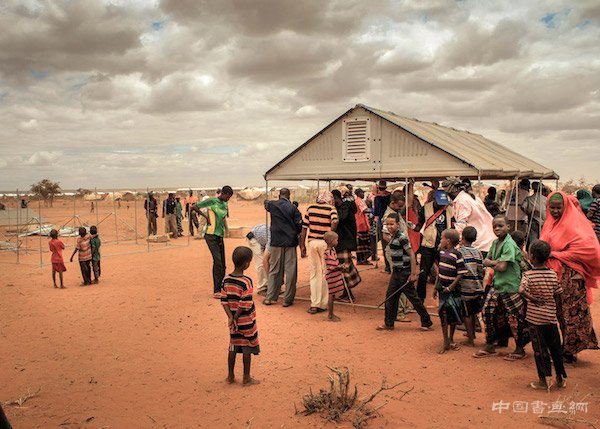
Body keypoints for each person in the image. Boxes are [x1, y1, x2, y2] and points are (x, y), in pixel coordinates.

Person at [541, 191, 600, 363]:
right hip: (554, 277)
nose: (555, 211)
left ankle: (570, 350)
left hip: (572, 278)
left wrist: (556, 255)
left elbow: (591, 250)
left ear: (565, 207)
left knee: (572, 314)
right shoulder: (549, 224)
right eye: (552, 207)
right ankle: (565, 347)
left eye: (559, 208)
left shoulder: (574, 225)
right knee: (559, 313)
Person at [474, 215, 528, 360]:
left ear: (508, 227)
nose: (497, 229)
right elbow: (487, 261)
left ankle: (519, 348)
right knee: (487, 312)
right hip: (498, 284)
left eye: (500, 226)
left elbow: (502, 266)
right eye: (495, 226)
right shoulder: (495, 243)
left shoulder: (509, 244)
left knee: (515, 318)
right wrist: (494, 262)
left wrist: (491, 262)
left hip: (511, 286)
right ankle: (490, 343)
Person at [519, 240, 567, 390]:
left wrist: (533, 299)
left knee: (540, 350)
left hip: (535, 321)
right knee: (556, 349)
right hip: (551, 319)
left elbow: (521, 290)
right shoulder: (553, 274)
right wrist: (559, 316)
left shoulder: (528, 275)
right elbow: (558, 295)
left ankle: (544, 380)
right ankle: (560, 378)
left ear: (531, 257)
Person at [376, 213, 433, 331]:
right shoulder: (392, 237)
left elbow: (411, 254)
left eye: (392, 224)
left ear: (398, 224)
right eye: (387, 224)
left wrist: (413, 273)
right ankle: (389, 323)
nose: (389, 226)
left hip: (404, 272)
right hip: (396, 272)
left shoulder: (402, 237)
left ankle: (426, 321)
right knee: (391, 297)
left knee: (413, 298)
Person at [221, 246, 260, 386]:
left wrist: (230, 317)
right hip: (246, 321)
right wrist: (236, 317)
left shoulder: (226, 279)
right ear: (247, 264)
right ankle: (246, 377)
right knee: (247, 347)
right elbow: (245, 303)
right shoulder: (246, 282)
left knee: (233, 345)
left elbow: (224, 300)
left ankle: (230, 376)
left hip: (233, 321)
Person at [299, 190, 339, 314]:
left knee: (314, 274)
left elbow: (304, 228)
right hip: (324, 243)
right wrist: (330, 235)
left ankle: (314, 304)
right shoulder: (331, 208)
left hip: (311, 243)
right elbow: (335, 221)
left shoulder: (310, 208)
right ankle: (323, 303)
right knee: (325, 273)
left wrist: (302, 245)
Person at [191, 185, 234, 298]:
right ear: (223, 194)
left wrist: (226, 230)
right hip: (210, 235)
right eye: (228, 197)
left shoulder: (225, 204)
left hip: (219, 235)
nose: (228, 199)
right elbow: (194, 207)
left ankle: (221, 288)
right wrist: (206, 216)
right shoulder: (211, 201)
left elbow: (223, 218)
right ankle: (216, 291)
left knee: (223, 264)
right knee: (218, 262)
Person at [263, 188, 302, 307]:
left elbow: (266, 203)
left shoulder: (272, 205)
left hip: (276, 241)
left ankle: (270, 297)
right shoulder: (293, 208)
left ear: (279, 195)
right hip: (290, 241)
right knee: (290, 271)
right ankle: (287, 300)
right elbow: (299, 224)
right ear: (289, 196)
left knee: (274, 270)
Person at [414, 189, 454, 302]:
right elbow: (419, 225)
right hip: (428, 245)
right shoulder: (425, 209)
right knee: (423, 273)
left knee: (446, 272)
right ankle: (420, 299)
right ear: (434, 200)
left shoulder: (449, 209)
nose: (441, 205)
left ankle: (445, 299)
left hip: (444, 246)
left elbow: (453, 225)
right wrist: (413, 227)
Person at [434, 229, 467, 354]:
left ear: (447, 241)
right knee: (443, 313)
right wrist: (436, 287)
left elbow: (461, 273)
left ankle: (450, 338)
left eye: (442, 238)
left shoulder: (457, 255)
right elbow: (440, 271)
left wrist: (452, 287)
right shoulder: (441, 253)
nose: (440, 240)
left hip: (452, 290)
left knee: (452, 314)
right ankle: (446, 340)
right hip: (443, 288)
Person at [443, 178, 495, 255]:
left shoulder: (462, 200)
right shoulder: (471, 197)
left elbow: (461, 225)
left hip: (478, 242)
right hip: (487, 240)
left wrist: (453, 244)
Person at [332, 188, 361, 302]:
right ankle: (346, 293)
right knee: (346, 266)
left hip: (343, 242)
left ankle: (348, 294)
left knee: (344, 268)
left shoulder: (344, 208)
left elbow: (339, 219)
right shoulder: (346, 207)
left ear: (335, 198)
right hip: (345, 241)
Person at [458, 226, 485, 347]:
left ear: (462, 237)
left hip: (466, 287)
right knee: (473, 312)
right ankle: (472, 333)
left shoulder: (460, 252)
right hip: (477, 286)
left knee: (466, 313)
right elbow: (481, 269)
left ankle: (470, 339)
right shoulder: (478, 252)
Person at [381, 191, 409, 273]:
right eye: (399, 206)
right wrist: (399, 244)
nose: (401, 208)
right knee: (397, 276)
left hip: (400, 250)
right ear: (392, 203)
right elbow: (385, 236)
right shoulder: (388, 216)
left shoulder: (395, 212)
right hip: (395, 251)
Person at [324, 231, 345, 322]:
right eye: (336, 240)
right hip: (331, 276)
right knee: (331, 295)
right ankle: (330, 315)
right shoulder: (328, 252)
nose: (338, 242)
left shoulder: (332, 250)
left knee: (333, 295)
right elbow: (331, 265)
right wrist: (340, 266)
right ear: (332, 241)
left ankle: (331, 314)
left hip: (335, 275)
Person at [246, 224, 270, 296]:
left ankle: (270, 285)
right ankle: (261, 287)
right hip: (254, 239)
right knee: (261, 263)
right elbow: (265, 260)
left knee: (270, 261)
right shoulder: (272, 239)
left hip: (262, 238)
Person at [373, 180, 391, 265]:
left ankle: (387, 266)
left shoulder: (377, 197)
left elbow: (376, 211)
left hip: (382, 220)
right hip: (391, 219)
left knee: (384, 244)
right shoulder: (390, 196)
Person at [354, 188, 371, 265]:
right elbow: (365, 210)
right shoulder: (359, 201)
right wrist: (374, 210)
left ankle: (361, 259)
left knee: (360, 244)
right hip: (361, 225)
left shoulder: (356, 200)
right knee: (363, 243)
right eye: (362, 193)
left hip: (359, 224)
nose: (363, 194)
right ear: (359, 193)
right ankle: (363, 260)